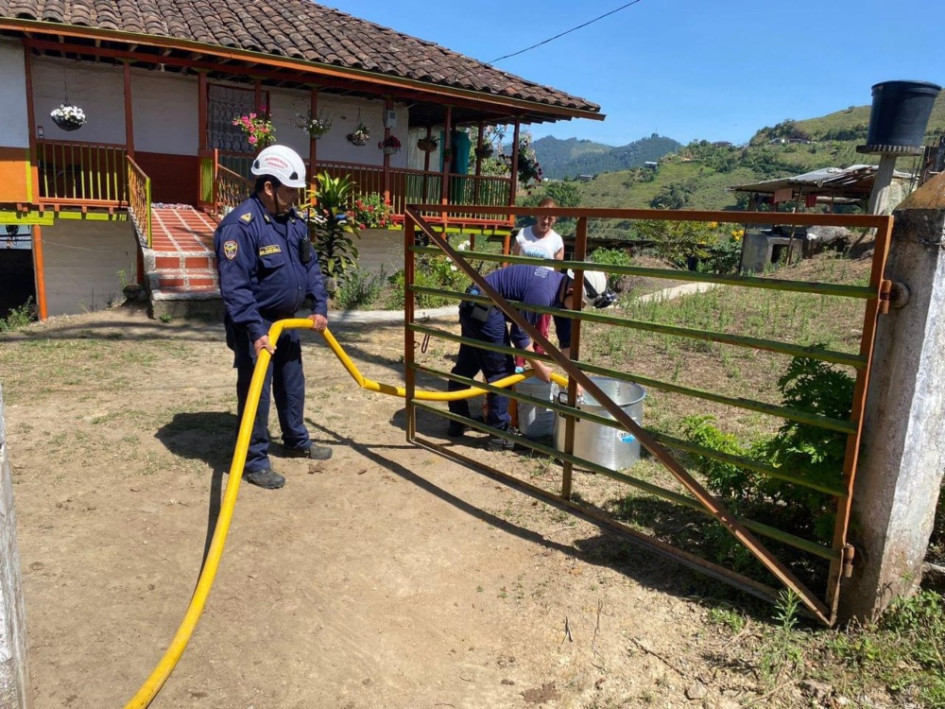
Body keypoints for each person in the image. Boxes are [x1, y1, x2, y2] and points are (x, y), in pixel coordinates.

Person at [214, 144, 332, 490]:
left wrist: (319, 306)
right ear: (268, 187)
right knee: (257, 392)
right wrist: (254, 330)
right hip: (258, 324)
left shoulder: (292, 223)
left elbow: (311, 265)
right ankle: (254, 460)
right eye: (290, 190)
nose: (295, 197)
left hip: (287, 322)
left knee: (292, 384)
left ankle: (296, 440)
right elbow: (235, 288)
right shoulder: (241, 227)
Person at [446, 264, 615, 451]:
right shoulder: (543, 294)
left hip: (477, 305)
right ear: (572, 291)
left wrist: (576, 380)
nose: (581, 309)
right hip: (482, 307)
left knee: (467, 366)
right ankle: (499, 434)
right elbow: (519, 335)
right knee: (502, 372)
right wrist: (539, 367)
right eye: (582, 304)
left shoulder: (562, 293)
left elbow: (567, 344)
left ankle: (458, 419)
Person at [512, 197, 565, 365]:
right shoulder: (523, 234)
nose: (546, 220)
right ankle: (519, 363)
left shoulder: (556, 241)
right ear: (536, 214)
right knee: (521, 326)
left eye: (551, 217)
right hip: (522, 288)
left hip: (543, 291)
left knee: (541, 330)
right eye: (544, 215)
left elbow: (557, 269)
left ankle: (537, 364)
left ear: (555, 219)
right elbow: (515, 258)